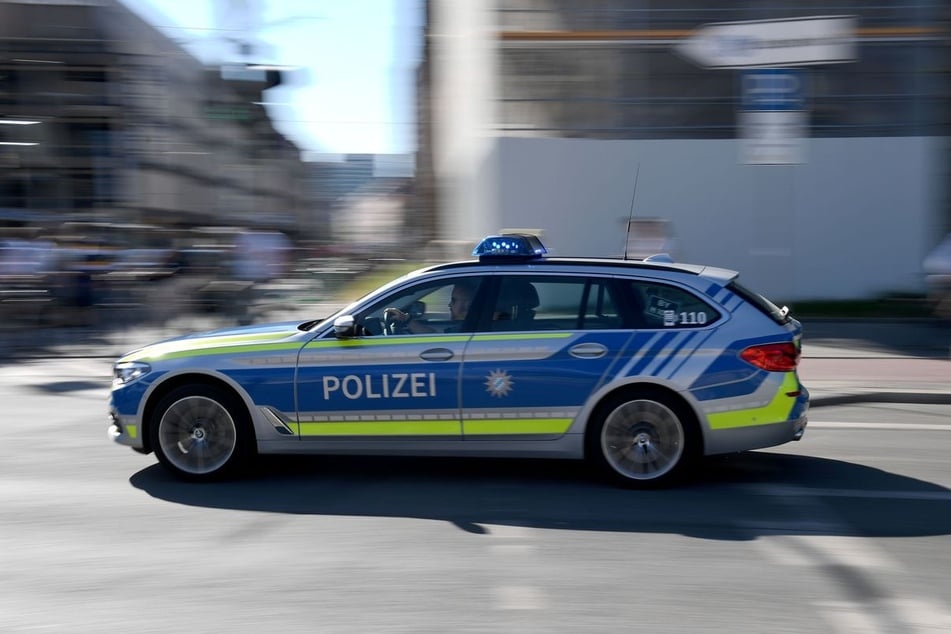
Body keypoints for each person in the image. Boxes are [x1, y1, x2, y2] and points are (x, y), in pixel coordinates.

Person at [384, 281, 475, 333]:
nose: (449, 305)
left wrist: (407, 320)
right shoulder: (465, 327)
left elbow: (439, 343)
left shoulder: (466, 330)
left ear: (467, 305)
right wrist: (406, 319)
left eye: (454, 300)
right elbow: (437, 337)